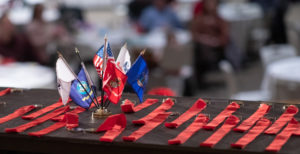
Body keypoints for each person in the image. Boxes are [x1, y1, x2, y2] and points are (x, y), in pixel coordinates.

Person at [191, 0, 229, 89]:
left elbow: (224, 37)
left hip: (217, 49)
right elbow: (194, 35)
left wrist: (215, 41)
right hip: (202, 48)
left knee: (202, 51)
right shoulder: (199, 18)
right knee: (198, 49)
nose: (211, 5)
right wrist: (206, 40)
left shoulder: (220, 20)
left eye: (213, 3)